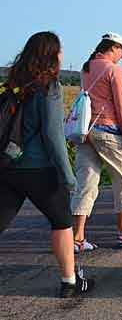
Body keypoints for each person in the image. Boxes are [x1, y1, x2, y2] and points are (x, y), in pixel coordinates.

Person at [0, 32, 94, 297]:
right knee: (62, 222)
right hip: (39, 169)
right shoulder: (49, 86)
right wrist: (68, 176)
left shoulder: (13, 84)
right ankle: (70, 282)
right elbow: (53, 136)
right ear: (52, 55)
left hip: (8, 167)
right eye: (60, 50)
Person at [68, 33, 122, 254]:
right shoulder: (114, 70)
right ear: (114, 47)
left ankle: (78, 237)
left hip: (86, 131)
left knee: (86, 182)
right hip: (109, 131)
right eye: (121, 52)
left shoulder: (86, 68)